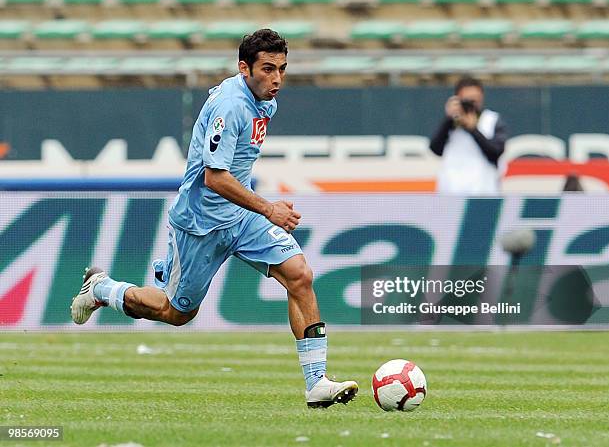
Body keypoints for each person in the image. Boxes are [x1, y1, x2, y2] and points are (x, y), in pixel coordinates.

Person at [70, 29, 358, 408]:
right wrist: (270, 208)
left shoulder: (264, 100)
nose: (277, 79)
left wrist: (259, 210)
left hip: (242, 217)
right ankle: (103, 289)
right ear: (244, 68)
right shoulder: (230, 106)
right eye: (268, 69)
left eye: (282, 69)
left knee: (300, 275)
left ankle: (317, 383)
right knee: (176, 313)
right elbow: (214, 177)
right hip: (201, 223)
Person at [429, 76, 509, 194]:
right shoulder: (451, 123)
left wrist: (473, 129)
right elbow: (435, 149)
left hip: (484, 192)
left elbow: (496, 152)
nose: (471, 106)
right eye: (467, 101)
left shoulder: (492, 120)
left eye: (475, 101)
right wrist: (449, 119)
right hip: (451, 192)